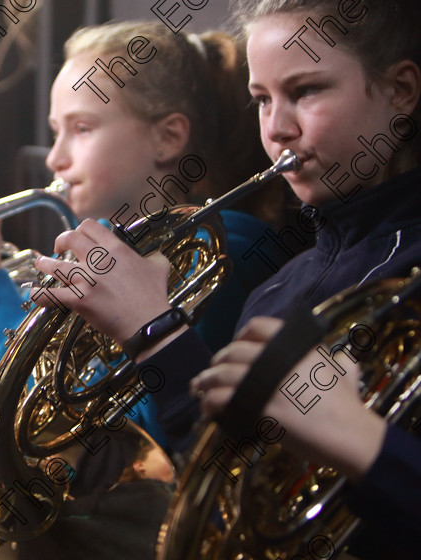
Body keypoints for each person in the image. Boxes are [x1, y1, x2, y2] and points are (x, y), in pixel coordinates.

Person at [34, 1, 421, 557]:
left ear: (401, 91)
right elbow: (217, 486)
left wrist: (365, 444)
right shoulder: (281, 287)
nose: (279, 128)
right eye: (262, 99)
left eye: (307, 91)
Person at [0, 21, 290, 437]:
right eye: (56, 131)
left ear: (167, 138)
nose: (55, 158)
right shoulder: (95, 247)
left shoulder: (225, 246)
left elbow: (129, 440)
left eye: (82, 129)